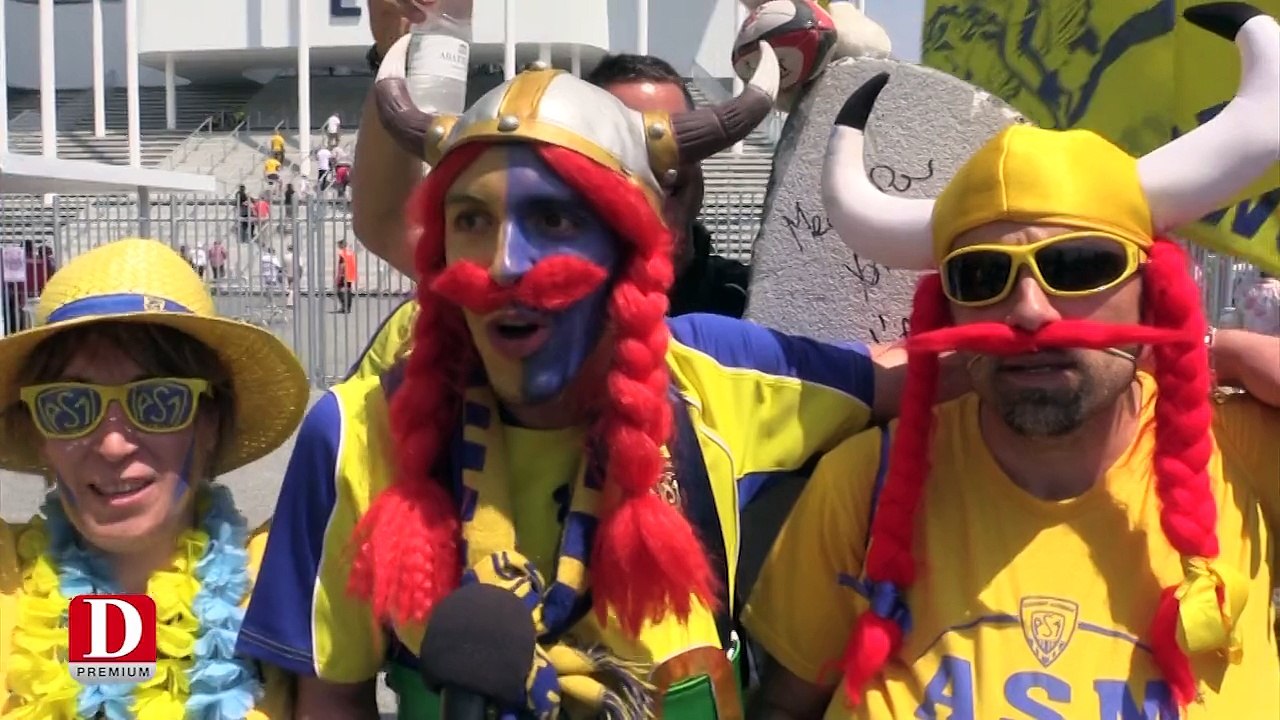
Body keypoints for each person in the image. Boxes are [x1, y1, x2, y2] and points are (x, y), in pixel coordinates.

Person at [236, 38, 935, 720]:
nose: (505, 262)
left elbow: (932, 376)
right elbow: (331, 699)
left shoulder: (717, 375)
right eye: (472, 219)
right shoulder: (354, 433)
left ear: (628, 249)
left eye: (553, 217)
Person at [745, 6, 1280, 718]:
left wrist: (1227, 350)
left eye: (1080, 265)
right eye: (981, 276)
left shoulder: (1245, 451)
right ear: (950, 309)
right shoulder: (861, 485)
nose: (1028, 309)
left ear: (1153, 290)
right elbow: (783, 707)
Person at [0, 238, 311, 719]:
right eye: (68, 407)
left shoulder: (281, 585)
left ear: (209, 422)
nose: (113, 445)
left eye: (158, 402)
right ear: (39, 435)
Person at [352, 2, 751, 319]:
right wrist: (399, 50)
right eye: (619, 149)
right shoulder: (519, 287)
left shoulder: (752, 302)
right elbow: (389, 219)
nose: (655, 167)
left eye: (673, 140)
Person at [586, 53, 752, 318]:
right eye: (628, 143)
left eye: (681, 134)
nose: (659, 158)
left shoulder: (746, 299)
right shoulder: (548, 313)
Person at [1241, 271, 1280, 336]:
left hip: (1249, 337)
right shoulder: (1277, 290)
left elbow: (1241, 312)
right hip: (1272, 339)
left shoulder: (1249, 289)